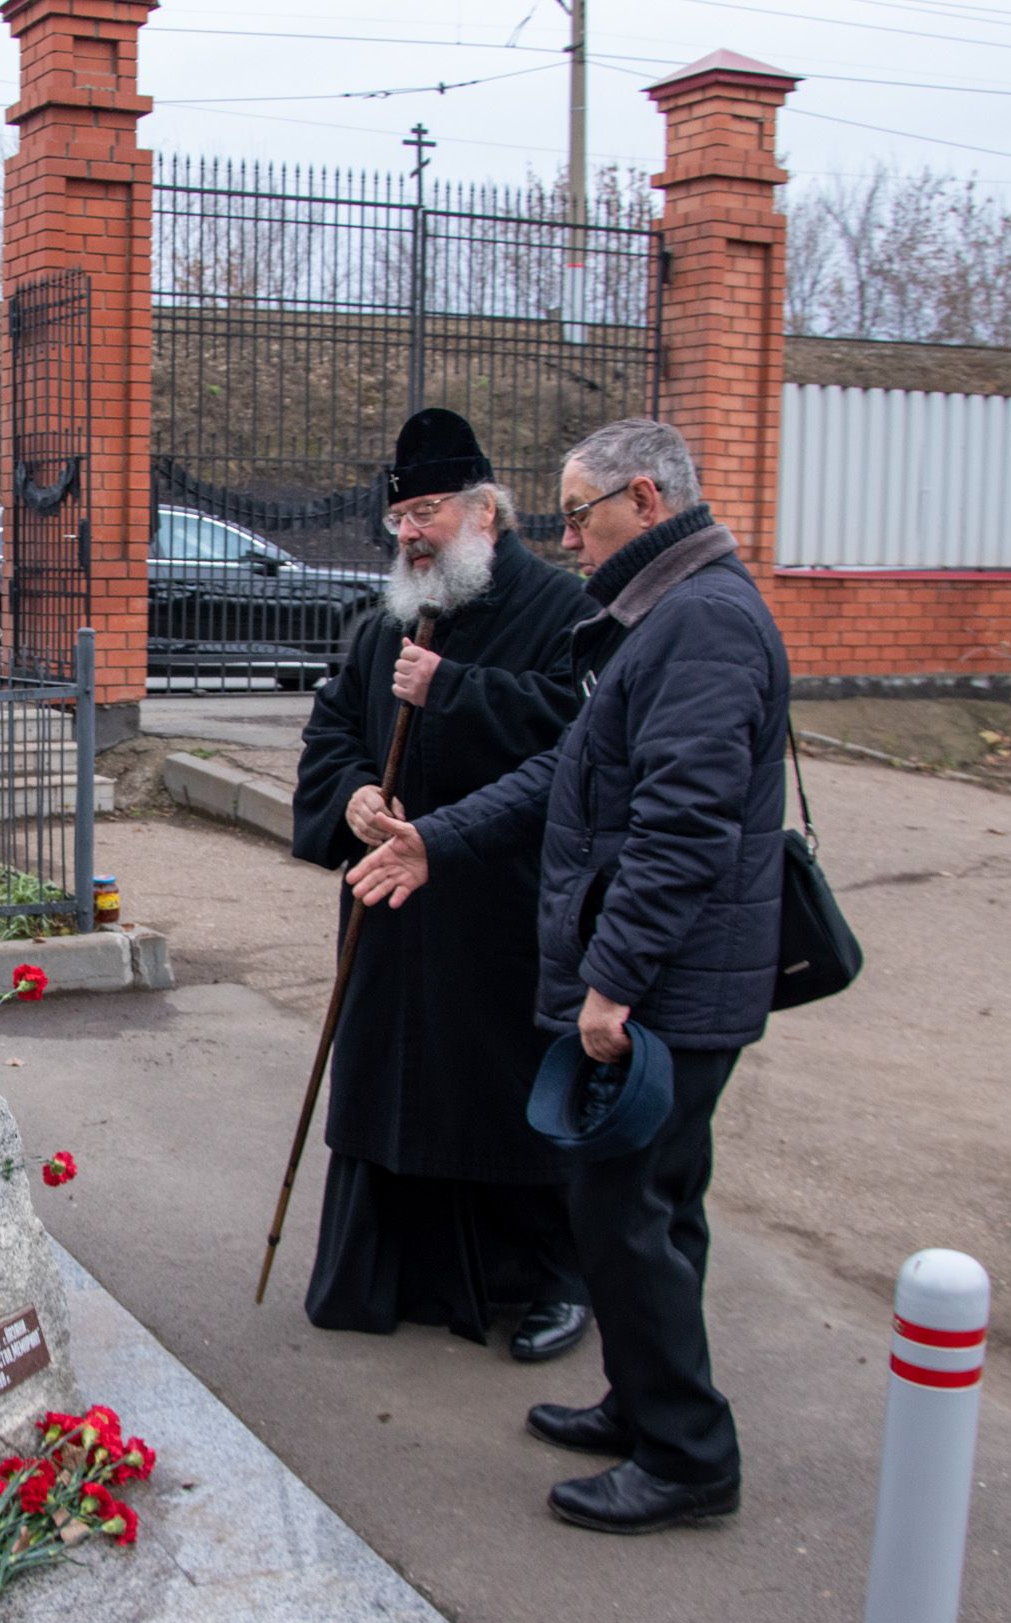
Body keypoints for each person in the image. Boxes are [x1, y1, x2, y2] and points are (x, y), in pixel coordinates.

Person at [346, 417, 792, 1536]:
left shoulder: (703, 623)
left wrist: (614, 984)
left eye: (580, 514)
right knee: (653, 1203)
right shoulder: (658, 617)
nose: (569, 537)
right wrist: (436, 840)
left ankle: (688, 1455)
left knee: (620, 1206)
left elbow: (680, 830)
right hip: (669, 982)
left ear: (644, 501)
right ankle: (647, 1406)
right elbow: (568, 768)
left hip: (671, 989)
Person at [292, 407, 599, 1364]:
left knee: (504, 1092)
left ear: (486, 513)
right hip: (390, 905)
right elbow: (334, 727)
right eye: (400, 519)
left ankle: (555, 1280)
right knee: (393, 1082)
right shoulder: (389, 615)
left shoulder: (562, 611)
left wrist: (452, 691)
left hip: (495, 910)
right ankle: (393, 1274)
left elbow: (577, 744)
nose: (412, 533)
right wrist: (351, 798)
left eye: (428, 511)